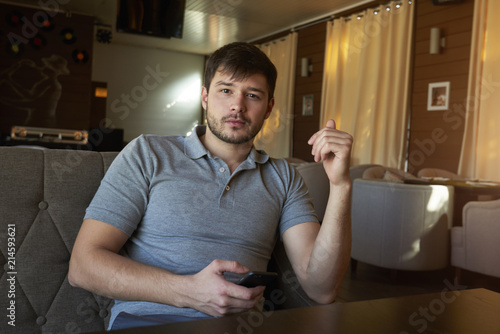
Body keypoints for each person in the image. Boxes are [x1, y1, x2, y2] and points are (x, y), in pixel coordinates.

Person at [68, 42, 353, 330]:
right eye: (226, 90)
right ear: (205, 97)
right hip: (149, 322)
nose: (237, 106)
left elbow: (322, 288)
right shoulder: (148, 153)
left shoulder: (284, 177)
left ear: (268, 108)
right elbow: (83, 266)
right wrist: (190, 292)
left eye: (252, 95)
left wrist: (340, 185)